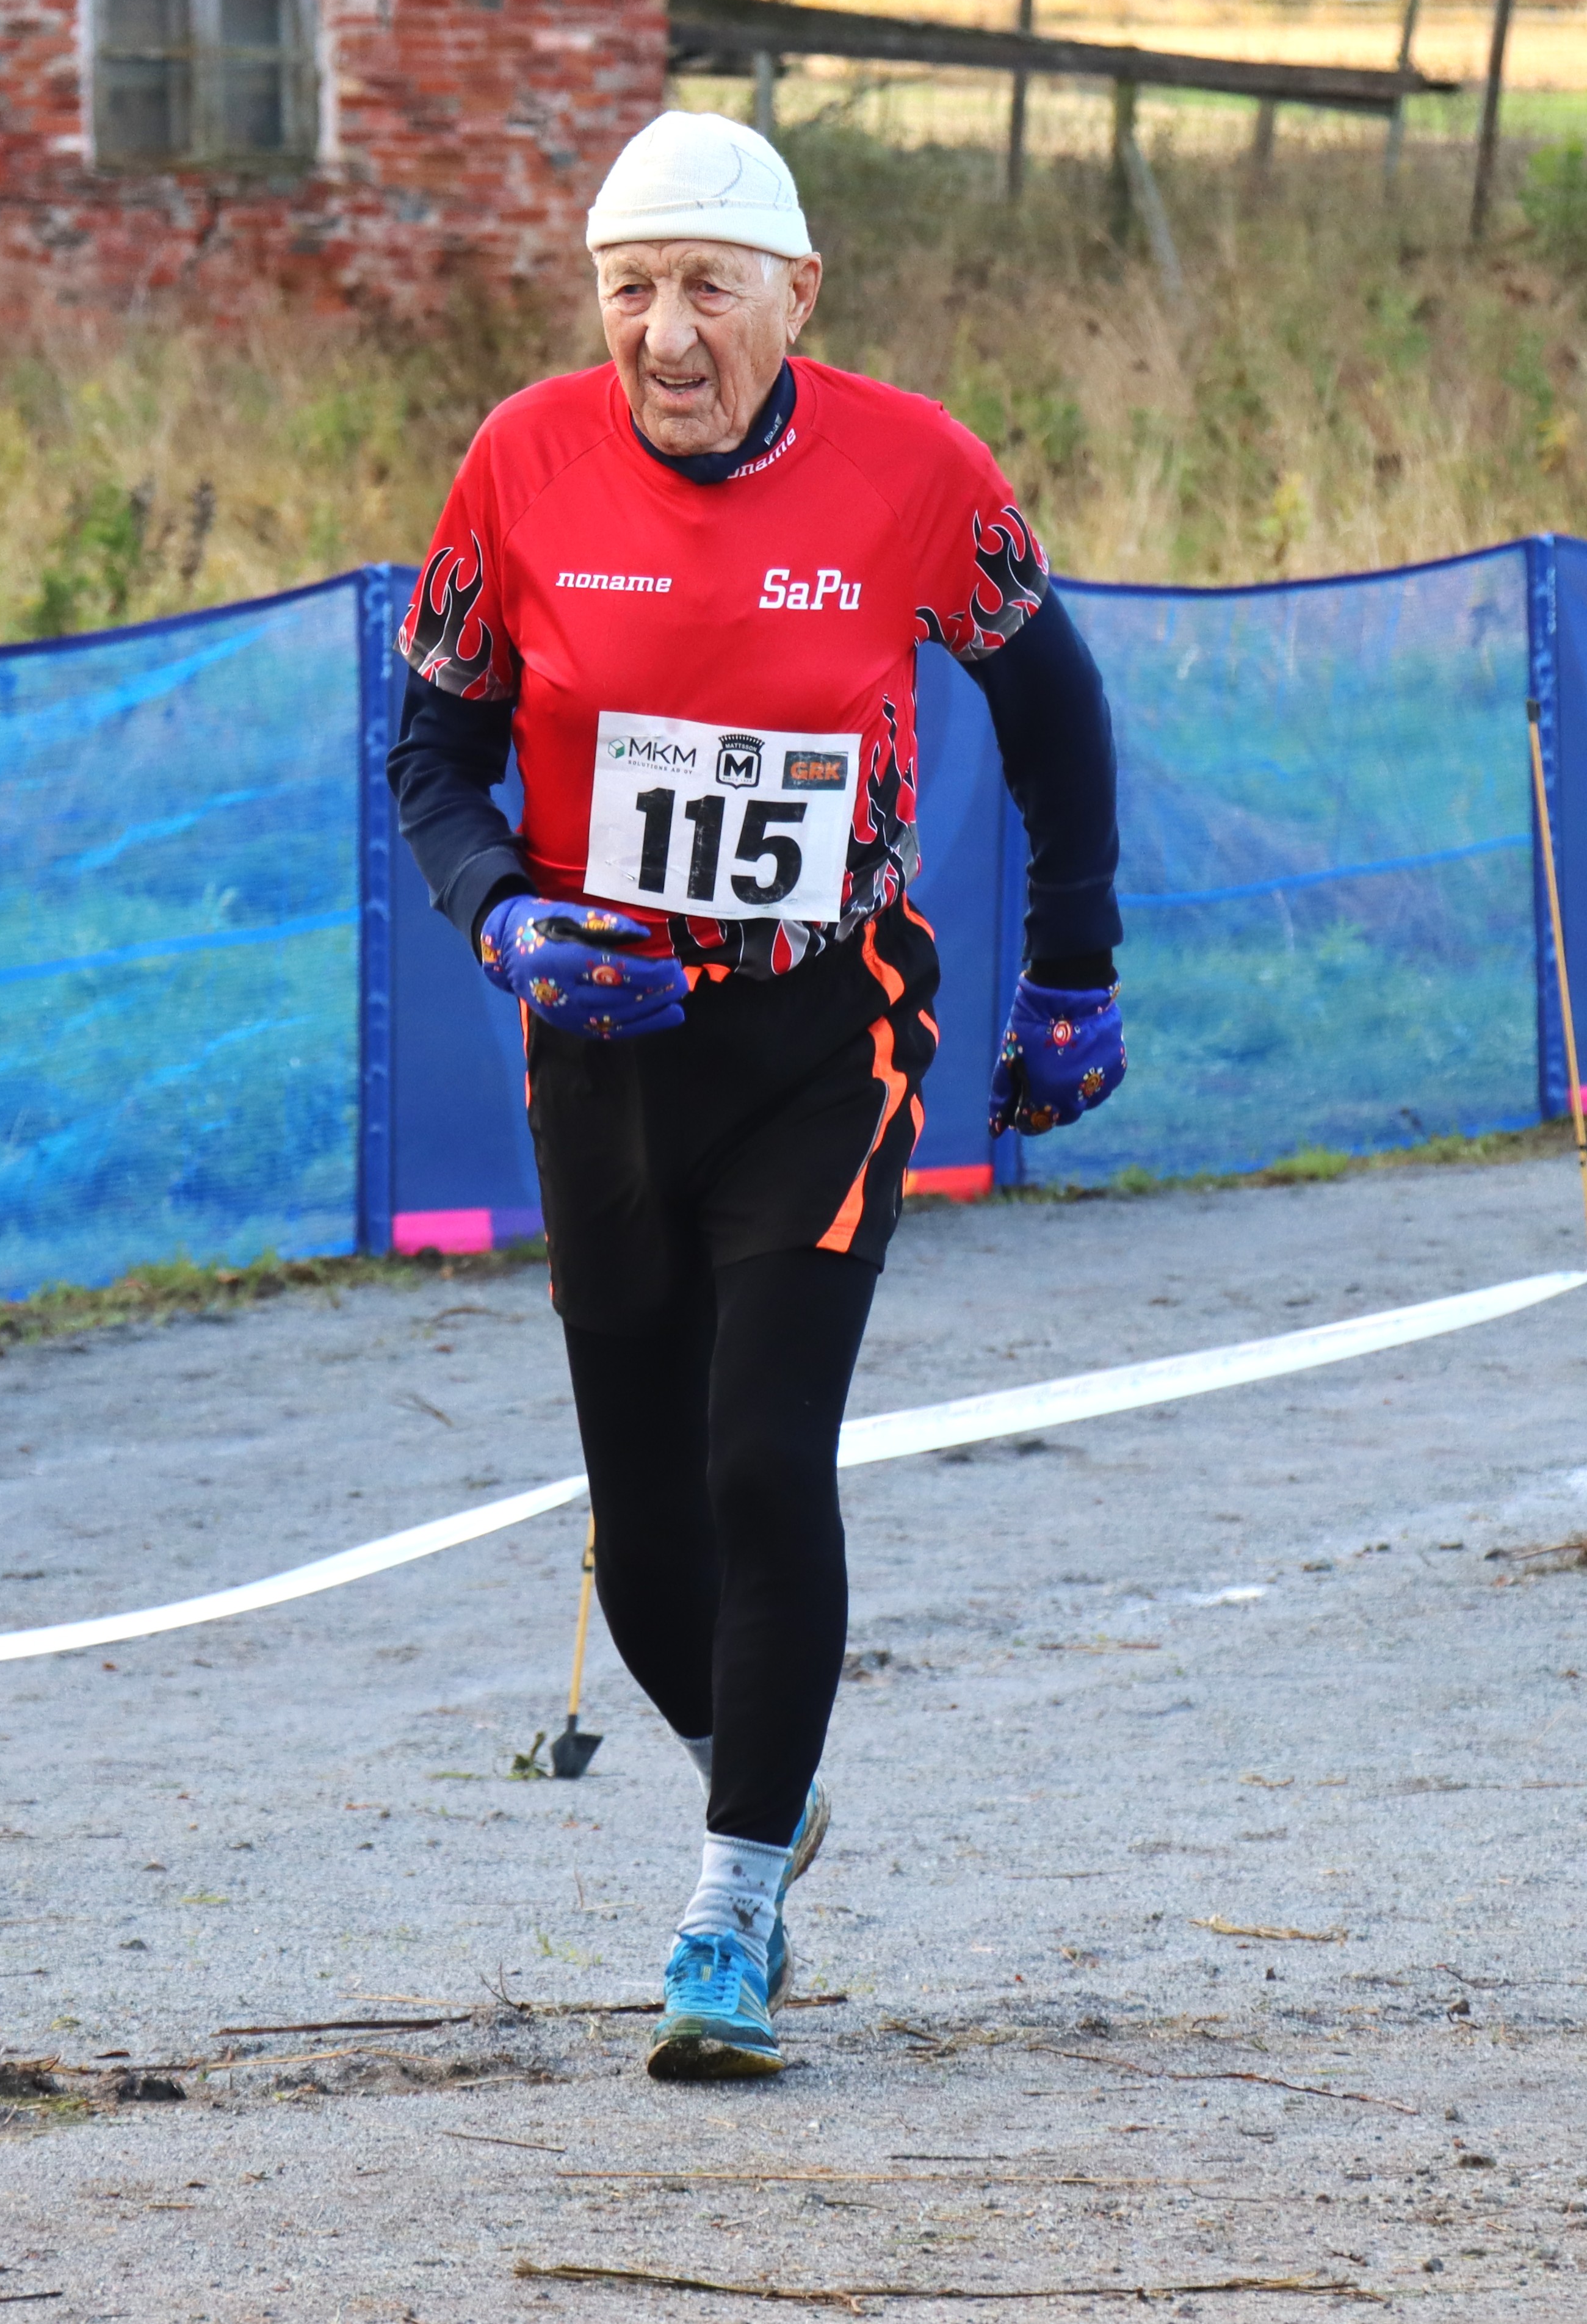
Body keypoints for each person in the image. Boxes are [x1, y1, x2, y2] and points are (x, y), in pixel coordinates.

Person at [388, 110, 1128, 2082]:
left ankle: (726, 1911)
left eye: (708, 288)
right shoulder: (519, 463)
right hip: (607, 1048)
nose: (665, 333)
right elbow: (434, 754)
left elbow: (1054, 708)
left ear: (797, 294)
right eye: (628, 289)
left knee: (760, 1455)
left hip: (827, 1026)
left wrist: (1074, 964)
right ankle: (769, 1788)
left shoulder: (916, 469)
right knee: (646, 1539)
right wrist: (505, 918)